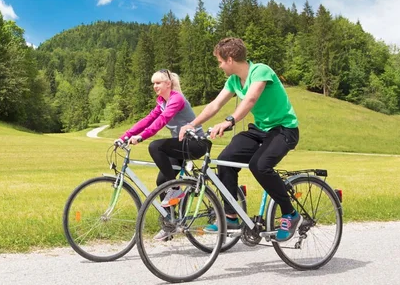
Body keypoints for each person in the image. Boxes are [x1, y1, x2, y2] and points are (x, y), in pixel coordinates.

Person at [179, 37, 301, 241]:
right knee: (225, 160)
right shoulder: (234, 80)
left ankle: (290, 213)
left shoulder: (261, 71)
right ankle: (231, 216)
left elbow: (251, 99)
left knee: (260, 165)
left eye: (219, 61)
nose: (219, 66)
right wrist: (192, 124)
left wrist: (229, 121)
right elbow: (214, 105)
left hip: (284, 129)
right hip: (260, 130)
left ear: (230, 58)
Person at [115, 69, 206, 240]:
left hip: (195, 144)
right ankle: (171, 222)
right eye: (153, 83)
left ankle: (176, 188)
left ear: (168, 84)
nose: (155, 86)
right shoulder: (162, 102)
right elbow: (147, 120)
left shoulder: (176, 99)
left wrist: (142, 137)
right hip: (181, 146)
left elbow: (162, 120)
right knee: (161, 181)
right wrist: (124, 136)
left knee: (155, 146)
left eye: (158, 83)